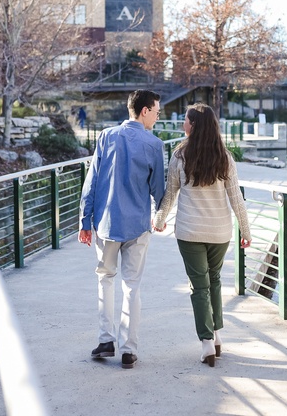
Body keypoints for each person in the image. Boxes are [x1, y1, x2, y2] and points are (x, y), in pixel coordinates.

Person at [152, 103, 252, 367]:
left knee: (199, 285)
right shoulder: (225, 157)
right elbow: (236, 199)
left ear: (193, 125)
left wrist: (160, 219)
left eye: (185, 120)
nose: (182, 124)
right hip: (220, 232)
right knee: (215, 280)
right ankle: (217, 335)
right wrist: (246, 230)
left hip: (190, 231)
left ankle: (207, 342)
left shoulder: (180, 156)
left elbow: (170, 193)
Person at [79, 89, 165, 369]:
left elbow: (90, 182)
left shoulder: (106, 137)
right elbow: (158, 190)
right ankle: (129, 349)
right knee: (132, 286)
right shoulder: (153, 144)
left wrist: (84, 221)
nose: (158, 115)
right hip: (138, 225)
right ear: (144, 111)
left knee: (105, 280)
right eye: (156, 111)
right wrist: (160, 217)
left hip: (106, 223)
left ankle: (106, 340)